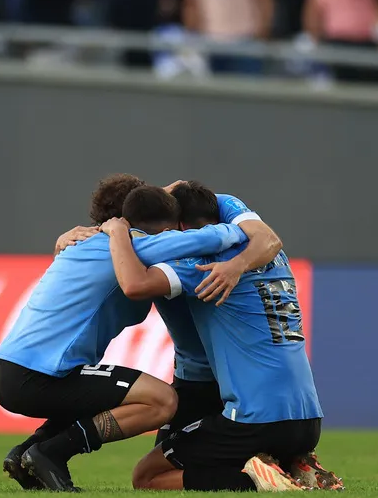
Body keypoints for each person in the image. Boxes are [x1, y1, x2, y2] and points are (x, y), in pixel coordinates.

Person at [0, 174, 251, 492]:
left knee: (103, 394)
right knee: (160, 401)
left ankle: (26, 453)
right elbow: (211, 238)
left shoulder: (82, 243)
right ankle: (50, 453)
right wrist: (245, 222)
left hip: (11, 370)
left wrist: (161, 198)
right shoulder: (137, 246)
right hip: (37, 376)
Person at [104, 183, 340, 492]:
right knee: (196, 453)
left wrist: (117, 231)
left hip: (255, 420)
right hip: (309, 419)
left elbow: (134, 284)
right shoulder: (272, 252)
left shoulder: (202, 264)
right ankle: (293, 463)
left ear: (181, 227)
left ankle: (264, 482)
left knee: (147, 477)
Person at [55, 181, 283, 449]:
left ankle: (273, 464)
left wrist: (236, 266)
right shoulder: (156, 243)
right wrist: (82, 237)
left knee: (152, 475)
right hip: (195, 376)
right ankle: (280, 460)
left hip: (226, 376)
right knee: (157, 468)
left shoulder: (205, 225)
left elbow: (269, 239)